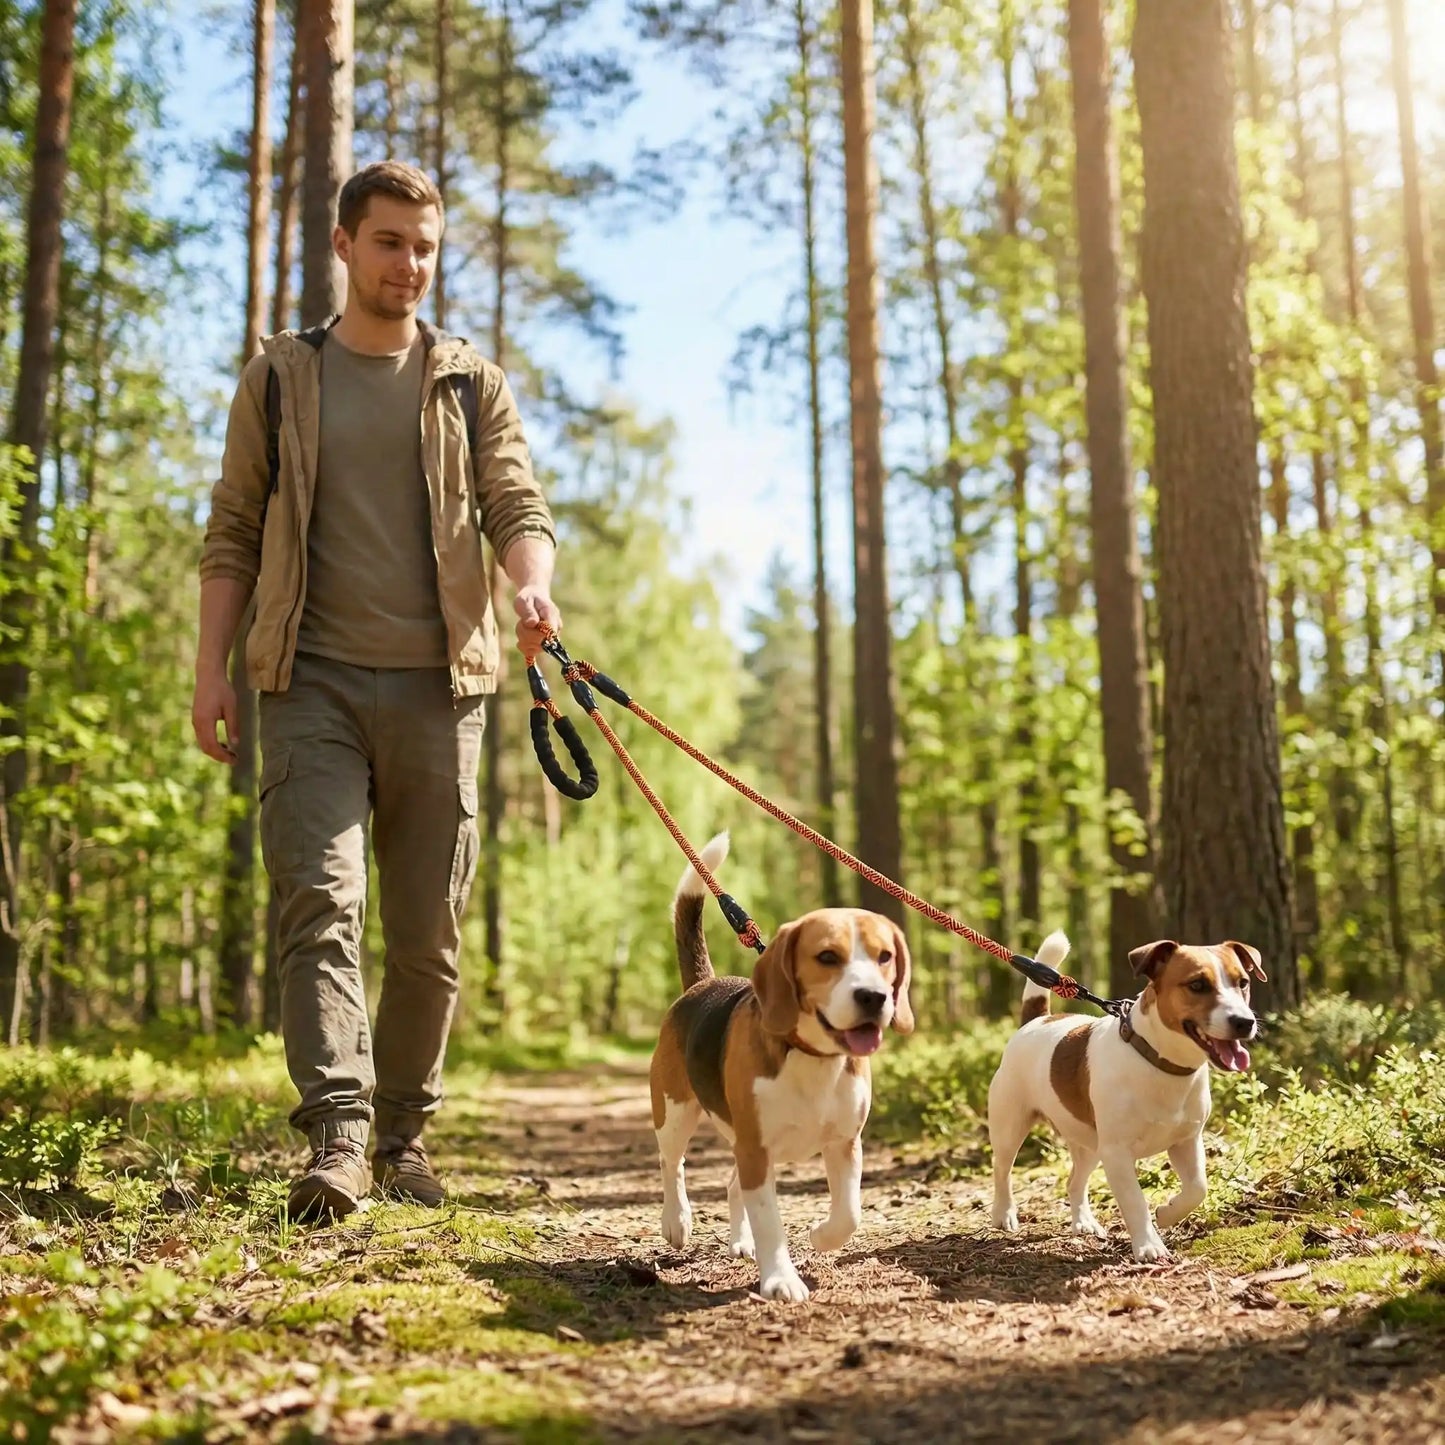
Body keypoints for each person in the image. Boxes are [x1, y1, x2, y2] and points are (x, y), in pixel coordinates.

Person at [192, 160, 561, 1219]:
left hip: (441, 690)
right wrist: (211, 669)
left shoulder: (467, 382)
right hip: (306, 681)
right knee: (320, 900)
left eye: (424, 246)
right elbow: (231, 530)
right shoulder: (280, 376)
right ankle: (338, 1136)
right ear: (345, 246)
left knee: (428, 930)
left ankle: (403, 1133)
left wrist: (530, 590)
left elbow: (514, 502)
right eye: (389, 241)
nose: (409, 264)